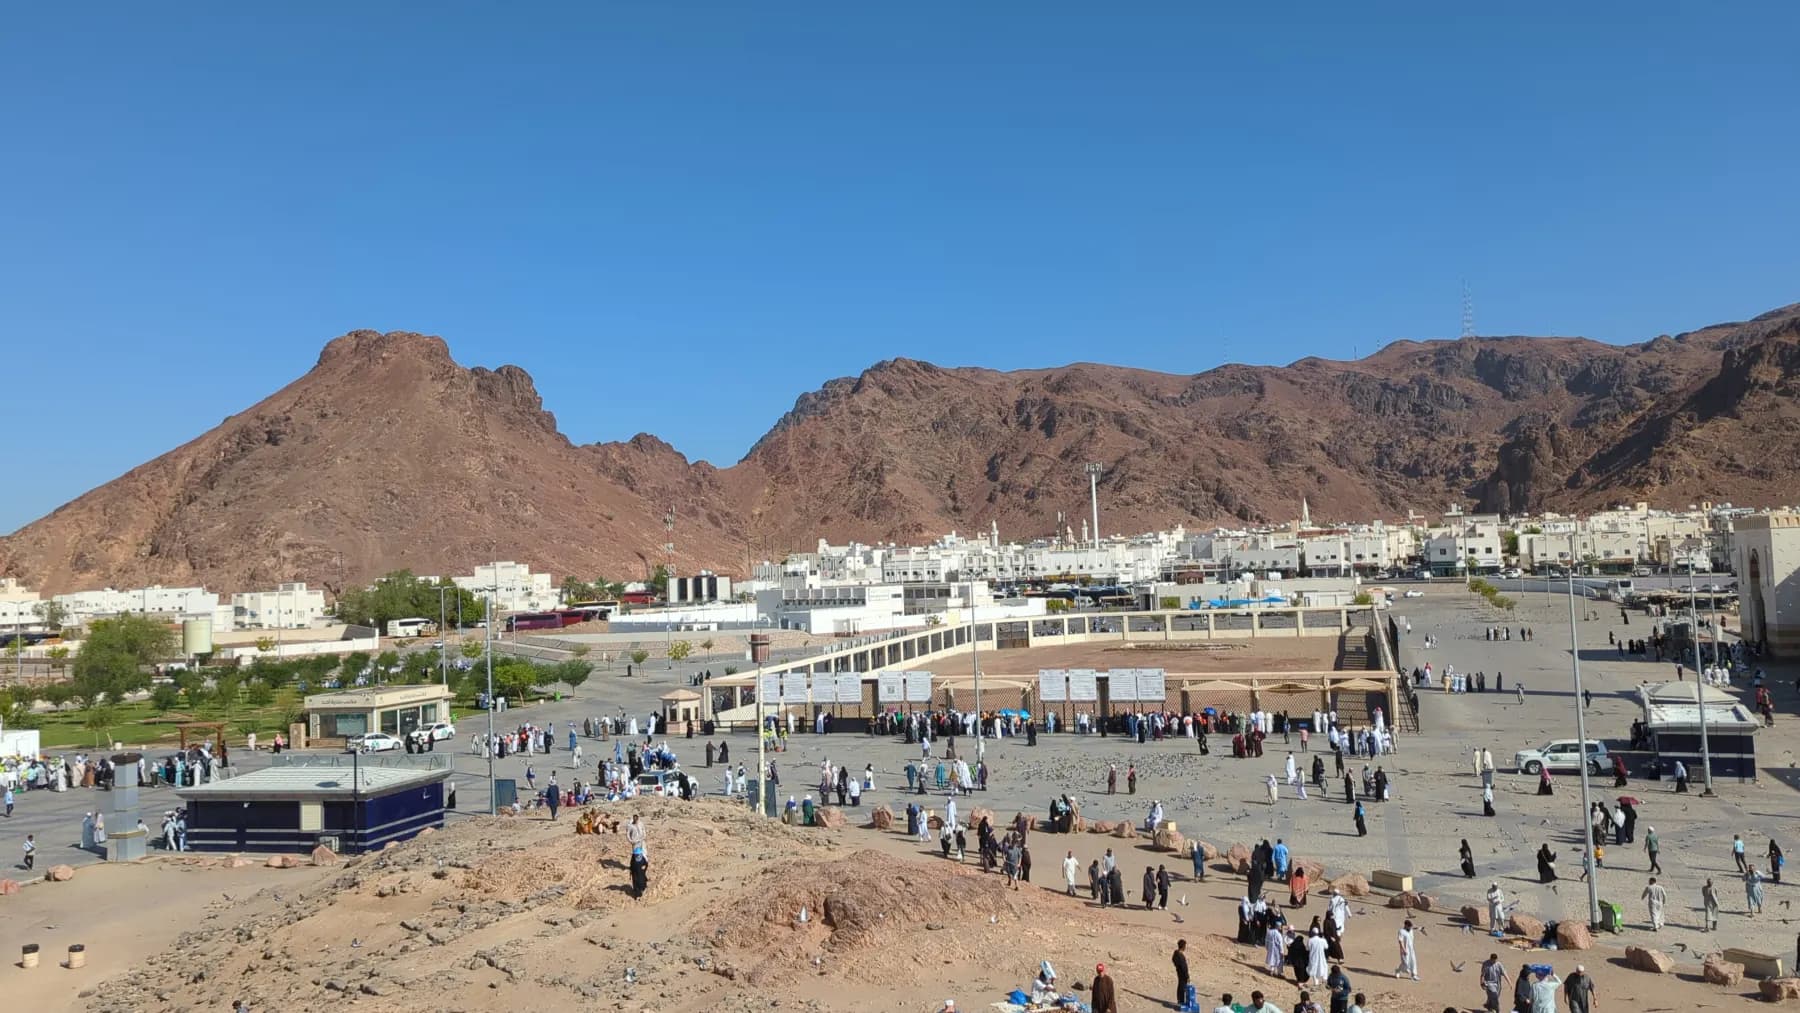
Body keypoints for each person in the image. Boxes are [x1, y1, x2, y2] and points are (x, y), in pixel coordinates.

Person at [1173, 939, 1191, 1007]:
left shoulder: (1176, 953)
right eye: (1185, 946)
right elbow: (1184, 968)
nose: (1185, 947)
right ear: (1183, 946)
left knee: (1180, 986)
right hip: (1182, 974)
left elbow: (1174, 960)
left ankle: (1180, 1000)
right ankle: (1181, 1001)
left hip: (1179, 972)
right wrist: (1187, 976)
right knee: (1182, 987)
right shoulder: (1180, 955)